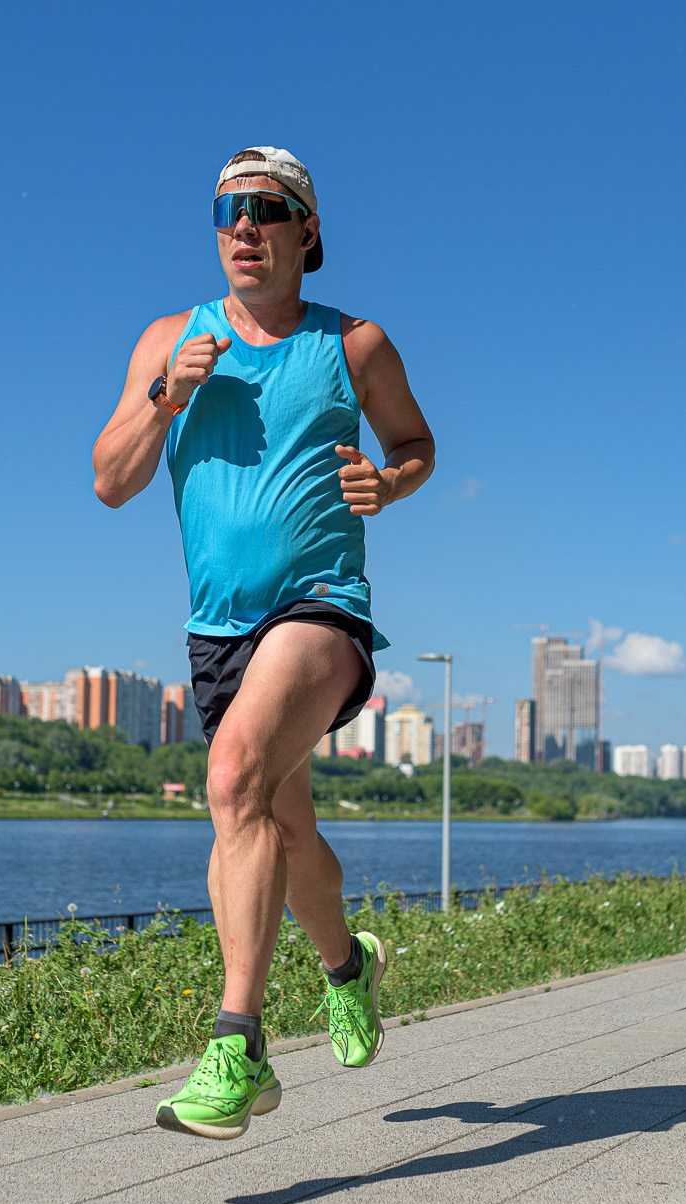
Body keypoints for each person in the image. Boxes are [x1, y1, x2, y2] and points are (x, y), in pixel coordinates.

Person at [92, 147, 436, 1138]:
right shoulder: (169, 339)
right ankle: (347, 966)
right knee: (283, 828)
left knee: (233, 776)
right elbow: (110, 481)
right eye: (225, 211)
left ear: (305, 230)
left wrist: (391, 482)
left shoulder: (354, 343)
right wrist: (167, 394)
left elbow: (414, 447)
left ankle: (237, 1047)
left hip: (323, 610)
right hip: (217, 634)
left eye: (264, 209)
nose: (242, 227)